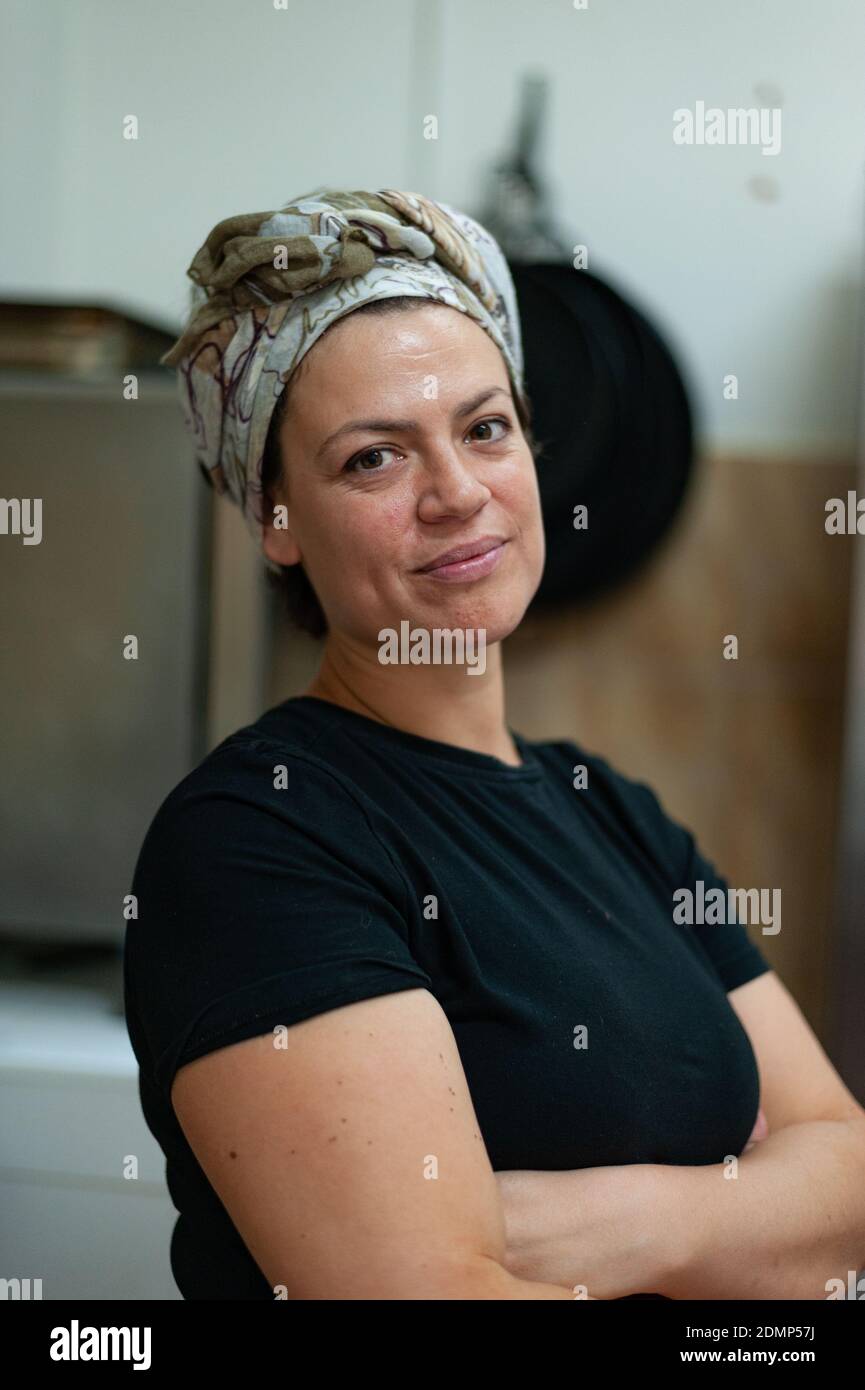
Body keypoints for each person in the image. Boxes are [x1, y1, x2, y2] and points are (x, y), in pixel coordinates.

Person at [123, 188, 865, 1301]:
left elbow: (849, 1191)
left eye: (484, 428)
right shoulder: (258, 840)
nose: (458, 494)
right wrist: (745, 1223)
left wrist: (635, 1221)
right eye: (374, 458)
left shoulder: (612, 811)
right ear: (275, 516)